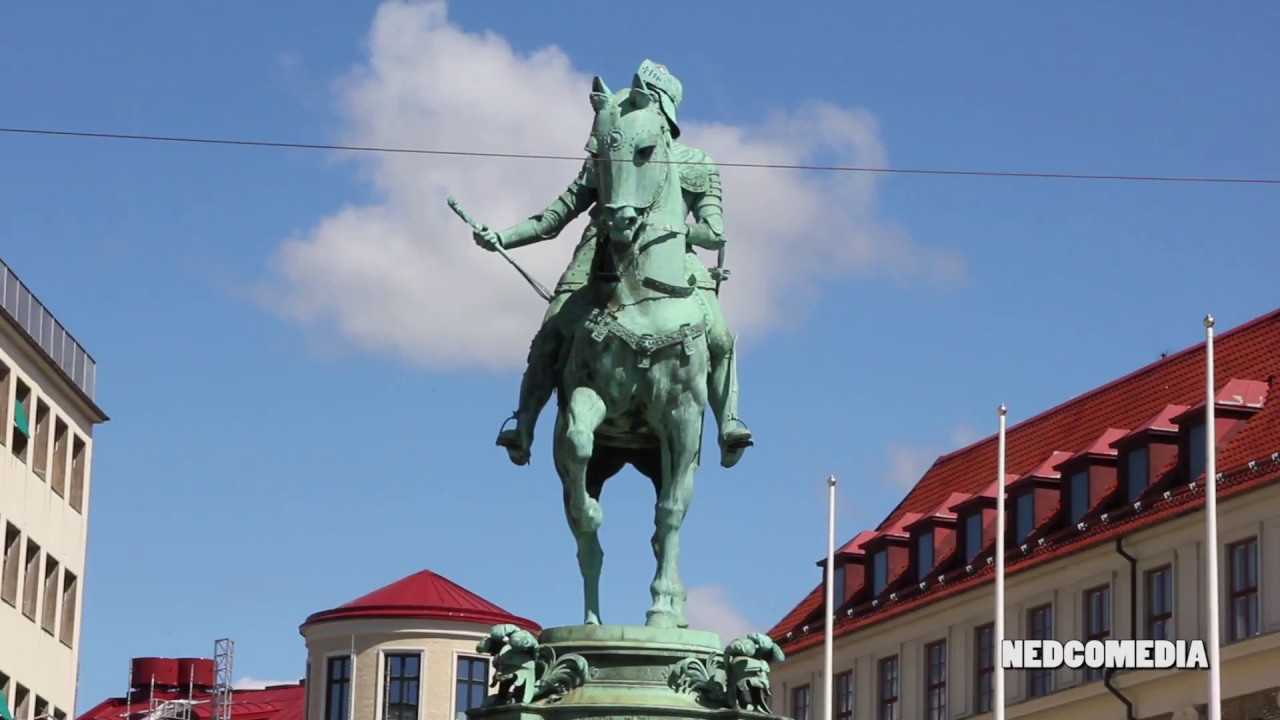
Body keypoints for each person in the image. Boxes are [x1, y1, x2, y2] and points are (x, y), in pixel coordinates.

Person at [473, 60, 752, 469]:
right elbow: (553, 218)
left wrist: (674, 230)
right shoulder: (606, 156)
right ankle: (524, 424)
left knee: (720, 337)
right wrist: (502, 236)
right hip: (599, 253)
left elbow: (714, 233)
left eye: (646, 101)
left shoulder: (696, 163)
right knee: (550, 332)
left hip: (673, 257)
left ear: (663, 109)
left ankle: (727, 424)